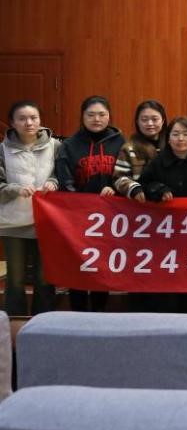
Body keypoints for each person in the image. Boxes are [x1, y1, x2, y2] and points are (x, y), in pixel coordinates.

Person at [55, 95, 125, 312]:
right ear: (82, 117)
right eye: (91, 115)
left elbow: (126, 173)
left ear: (109, 116)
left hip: (110, 216)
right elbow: (64, 178)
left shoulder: (121, 143)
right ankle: (77, 313)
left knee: (101, 267)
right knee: (78, 264)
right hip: (77, 217)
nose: (97, 119)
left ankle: (99, 313)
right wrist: (78, 202)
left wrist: (115, 188)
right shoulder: (69, 145)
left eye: (102, 114)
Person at [131, 116, 187, 312]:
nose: (180, 139)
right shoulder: (158, 162)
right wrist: (158, 189)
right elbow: (144, 184)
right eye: (175, 134)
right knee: (165, 276)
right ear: (168, 137)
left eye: (186, 134)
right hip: (163, 231)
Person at [0, 101, 59, 316]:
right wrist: (14, 189)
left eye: (33, 118)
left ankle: (45, 322)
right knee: (15, 278)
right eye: (22, 118)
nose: (29, 123)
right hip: (13, 221)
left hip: (46, 221)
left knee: (44, 277)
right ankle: (15, 323)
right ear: (12, 123)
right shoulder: (2, 149)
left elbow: (63, 175)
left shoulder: (55, 146)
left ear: (40, 120)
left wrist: (54, 182)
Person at [114, 99, 167, 200]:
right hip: (140, 204)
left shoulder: (171, 145)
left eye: (155, 119)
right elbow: (118, 178)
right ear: (137, 122)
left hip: (169, 202)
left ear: (163, 121)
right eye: (144, 119)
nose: (150, 123)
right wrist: (134, 189)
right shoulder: (128, 148)